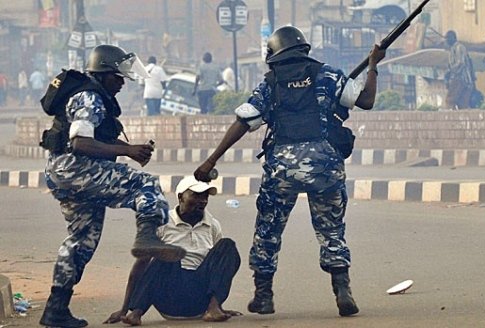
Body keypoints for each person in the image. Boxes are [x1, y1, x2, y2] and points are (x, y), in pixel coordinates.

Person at [194, 25, 386, 317]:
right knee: (332, 230)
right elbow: (366, 101)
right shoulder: (328, 74)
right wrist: (373, 66)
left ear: (274, 53)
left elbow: (243, 123)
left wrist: (211, 161)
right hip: (325, 165)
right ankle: (342, 290)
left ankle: (264, 295)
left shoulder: (270, 84)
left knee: (268, 230)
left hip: (282, 169)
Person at [38, 44, 186, 328]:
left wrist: (130, 148)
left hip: (65, 174)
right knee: (145, 184)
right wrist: (128, 153)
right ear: (104, 73)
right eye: (118, 77)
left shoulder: (94, 95)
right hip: (76, 169)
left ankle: (56, 309)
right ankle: (147, 236)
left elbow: (97, 139)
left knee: (81, 240)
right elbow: (81, 142)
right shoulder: (88, 97)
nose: (122, 83)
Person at [103, 176, 241, 326]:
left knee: (227, 245)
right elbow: (141, 266)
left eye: (205, 196)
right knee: (165, 253)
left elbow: (219, 267)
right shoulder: (162, 222)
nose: (202, 200)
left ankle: (214, 308)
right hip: (170, 297)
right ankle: (136, 312)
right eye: (196, 195)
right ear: (181, 197)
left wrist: (219, 300)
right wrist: (124, 309)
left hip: (200, 297)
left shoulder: (213, 224)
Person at [445, 30, 476, 110]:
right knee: (461, 104)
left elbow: (460, 63)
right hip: (460, 80)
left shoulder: (459, 47)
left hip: (461, 79)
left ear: (454, 38)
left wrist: (451, 72)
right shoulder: (452, 49)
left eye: (448, 38)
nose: (446, 40)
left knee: (450, 101)